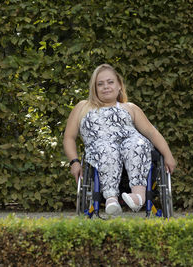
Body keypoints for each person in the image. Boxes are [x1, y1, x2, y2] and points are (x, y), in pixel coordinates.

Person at [63, 63, 177, 215]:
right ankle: (111, 199)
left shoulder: (129, 107)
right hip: (101, 150)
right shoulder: (83, 107)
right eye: (100, 84)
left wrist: (168, 156)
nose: (106, 87)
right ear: (94, 88)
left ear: (119, 86)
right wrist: (74, 162)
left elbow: (151, 133)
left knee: (137, 143)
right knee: (107, 147)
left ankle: (138, 196)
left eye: (110, 82)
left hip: (131, 146)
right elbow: (69, 137)